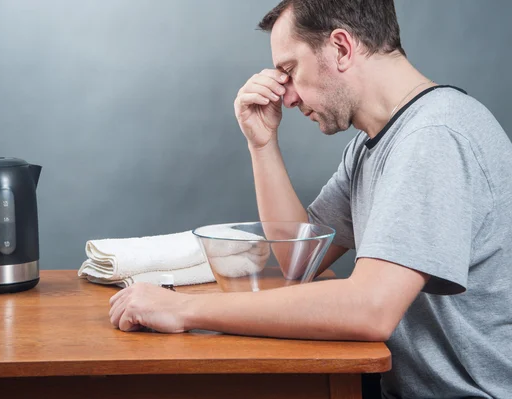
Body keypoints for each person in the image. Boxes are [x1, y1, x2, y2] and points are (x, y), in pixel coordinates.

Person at [108, 0, 512, 397]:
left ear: (340, 47)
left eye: (290, 70)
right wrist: (262, 145)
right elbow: (298, 260)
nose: (288, 97)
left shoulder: (435, 138)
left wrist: (182, 311)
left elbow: (370, 308)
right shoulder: (371, 147)